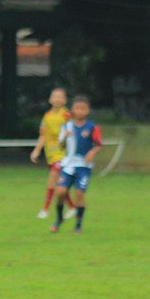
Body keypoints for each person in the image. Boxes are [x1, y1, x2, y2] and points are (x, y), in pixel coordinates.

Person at [50, 95, 102, 234]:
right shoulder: (67, 126)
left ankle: (78, 225)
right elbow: (61, 146)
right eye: (77, 108)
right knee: (60, 192)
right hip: (68, 165)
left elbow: (98, 144)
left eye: (83, 109)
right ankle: (59, 218)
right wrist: (65, 136)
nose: (80, 111)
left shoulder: (92, 127)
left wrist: (92, 152)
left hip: (83, 166)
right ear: (73, 110)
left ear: (88, 110)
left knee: (79, 194)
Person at [30, 88, 76, 220]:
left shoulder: (67, 115)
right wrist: (37, 150)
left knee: (53, 179)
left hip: (63, 153)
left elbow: (72, 132)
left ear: (65, 100)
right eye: (54, 96)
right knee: (59, 183)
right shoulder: (47, 116)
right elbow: (43, 135)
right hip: (50, 153)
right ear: (50, 100)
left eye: (60, 97)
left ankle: (45, 210)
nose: (56, 99)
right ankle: (72, 207)